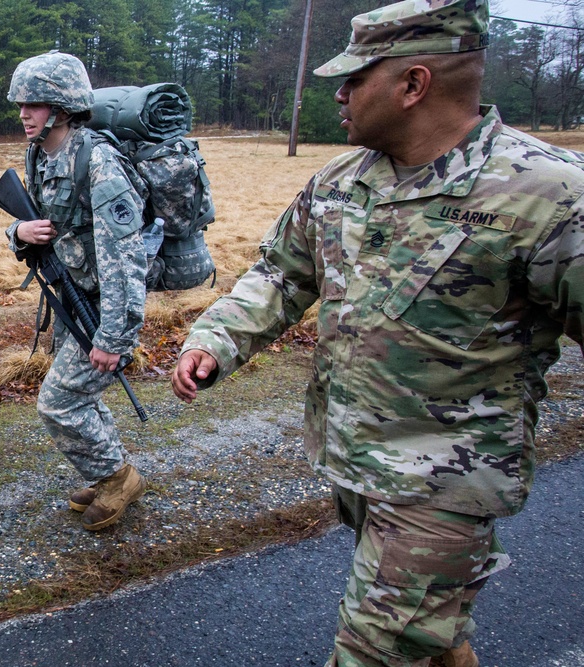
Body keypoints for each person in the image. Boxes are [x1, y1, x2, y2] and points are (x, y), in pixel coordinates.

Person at [171, 1, 584, 665]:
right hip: (354, 461)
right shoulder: (340, 183)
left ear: (413, 84)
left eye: (354, 79)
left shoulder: (548, 196)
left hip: (446, 487)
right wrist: (213, 341)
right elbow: (281, 275)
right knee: (430, 640)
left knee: (374, 649)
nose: (338, 94)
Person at [4, 51, 148, 531]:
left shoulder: (99, 162)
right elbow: (34, 220)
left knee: (58, 402)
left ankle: (117, 478)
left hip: (104, 306)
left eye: (34, 104)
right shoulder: (39, 155)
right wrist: (20, 233)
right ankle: (109, 472)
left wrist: (114, 338)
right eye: (21, 104)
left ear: (62, 109)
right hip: (72, 293)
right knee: (78, 395)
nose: (24, 114)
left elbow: (126, 262)